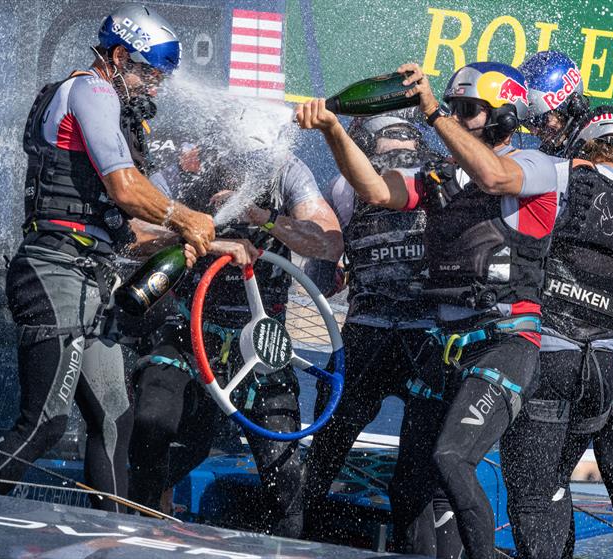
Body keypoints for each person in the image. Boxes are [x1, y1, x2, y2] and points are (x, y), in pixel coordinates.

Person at [297, 60, 565, 558]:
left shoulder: (535, 166)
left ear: (506, 117)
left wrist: (436, 112)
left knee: (451, 458)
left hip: (505, 345)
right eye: (455, 109)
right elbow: (376, 190)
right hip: (445, 351)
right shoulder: (442, 174)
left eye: (470, 111)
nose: (458, 119)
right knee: (410, 485)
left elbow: (493, 174)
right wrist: (334, 130)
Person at [0, 4, 221, 511]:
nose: (156, 86)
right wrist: (186, 217)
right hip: (53, 270)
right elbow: (126, 188)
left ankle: (108, 538)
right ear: (118, 56)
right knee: (45, 422)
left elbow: (126, 229)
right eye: (151, 73)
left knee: (114, 418)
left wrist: (204, 243)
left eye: (162, 77)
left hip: (92, 278)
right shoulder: (92, 89)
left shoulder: (113, 105)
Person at [128, 142, 343, 537]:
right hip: (188, 335)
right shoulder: (186, 168)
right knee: (152, 425)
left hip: (261, 345)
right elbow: (133, 236)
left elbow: (328, 242)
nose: (232, 166)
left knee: (287, 480)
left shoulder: (286, 171)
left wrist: (260, 217)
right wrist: (195, 236)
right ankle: (135, 531)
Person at [499, 107, 613, 559]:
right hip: (610, 360)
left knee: (538, 488)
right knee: (589, 474)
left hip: (559, 350)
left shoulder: (561, 177)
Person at [301, 112, 462, 556]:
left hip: (365, 340)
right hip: (431, 343)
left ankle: (290, 544)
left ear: (364, 141)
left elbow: (324, 275)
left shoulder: (344, 184)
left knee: (320, 464)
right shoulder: (447, 172)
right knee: (417, 486)